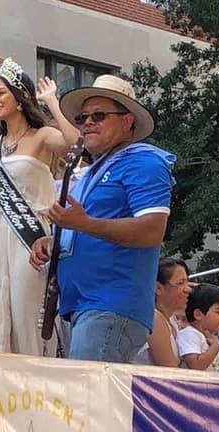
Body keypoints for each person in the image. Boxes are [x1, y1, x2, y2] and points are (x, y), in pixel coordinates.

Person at [28, 75, 176, 363]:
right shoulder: (94, 171)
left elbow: (152, 231)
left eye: (99, 115)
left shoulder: (144, 161)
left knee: (90, 401)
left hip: (111, 306)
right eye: (82, 118)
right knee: (90, 401)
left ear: (127, 121)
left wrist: (84, 224)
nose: (87, 123)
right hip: (86, 308)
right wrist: (53, 241)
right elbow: (83, 226)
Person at [0, 58, 80, 357]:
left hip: (31, 239)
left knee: (27, 319)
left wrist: (52, 101)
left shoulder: (41, 136)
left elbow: (76, 144)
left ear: (20, 96)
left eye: (0, 93)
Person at [135, 258, 188, 367]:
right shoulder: (154, 319)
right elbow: (170, 372)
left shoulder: (172, 320)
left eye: (187, 282)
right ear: (158, 288)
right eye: (180, 283)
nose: (188, 289)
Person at [178, 284, 219, 373]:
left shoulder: (210, 337)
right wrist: (215, 347)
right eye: (218, 312)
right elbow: (195, 365)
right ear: (198, 314)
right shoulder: (189, 334)